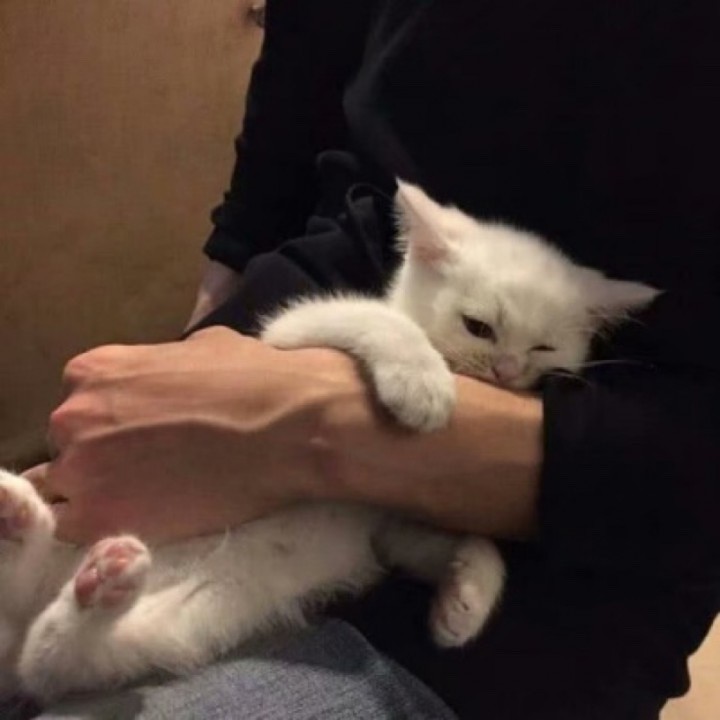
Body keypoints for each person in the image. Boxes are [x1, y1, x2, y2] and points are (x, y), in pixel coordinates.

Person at [22, 1, 720, 718]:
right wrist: (211, 318)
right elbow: (307, 64)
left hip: (561, 588)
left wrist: (319, 426)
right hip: (295, 339)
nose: (509, 368)